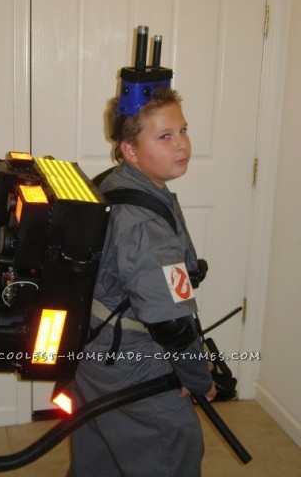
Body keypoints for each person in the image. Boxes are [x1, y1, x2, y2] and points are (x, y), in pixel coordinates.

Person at [66, 85, 216, 477]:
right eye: (165, 136)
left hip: (93, 353)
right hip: (131, 362)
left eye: (183, 130)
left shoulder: (118, 182)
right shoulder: (145, 227)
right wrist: (197, 378)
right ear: (130, 150)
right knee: (172, 448)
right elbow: (172, 324)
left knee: (98, 453)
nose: (182, 145)